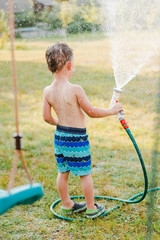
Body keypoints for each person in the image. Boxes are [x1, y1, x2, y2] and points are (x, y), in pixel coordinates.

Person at [43, 43, 123, 219]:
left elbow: (47, 117)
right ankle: (91, 208)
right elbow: (92, 112)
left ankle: (66, 204)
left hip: (60, 137)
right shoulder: (75, 89)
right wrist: (112, 111)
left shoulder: (47, 91)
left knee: (63, 171)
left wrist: (60, 123)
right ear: (69, 65)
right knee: (85, 173)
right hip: (76, 139)